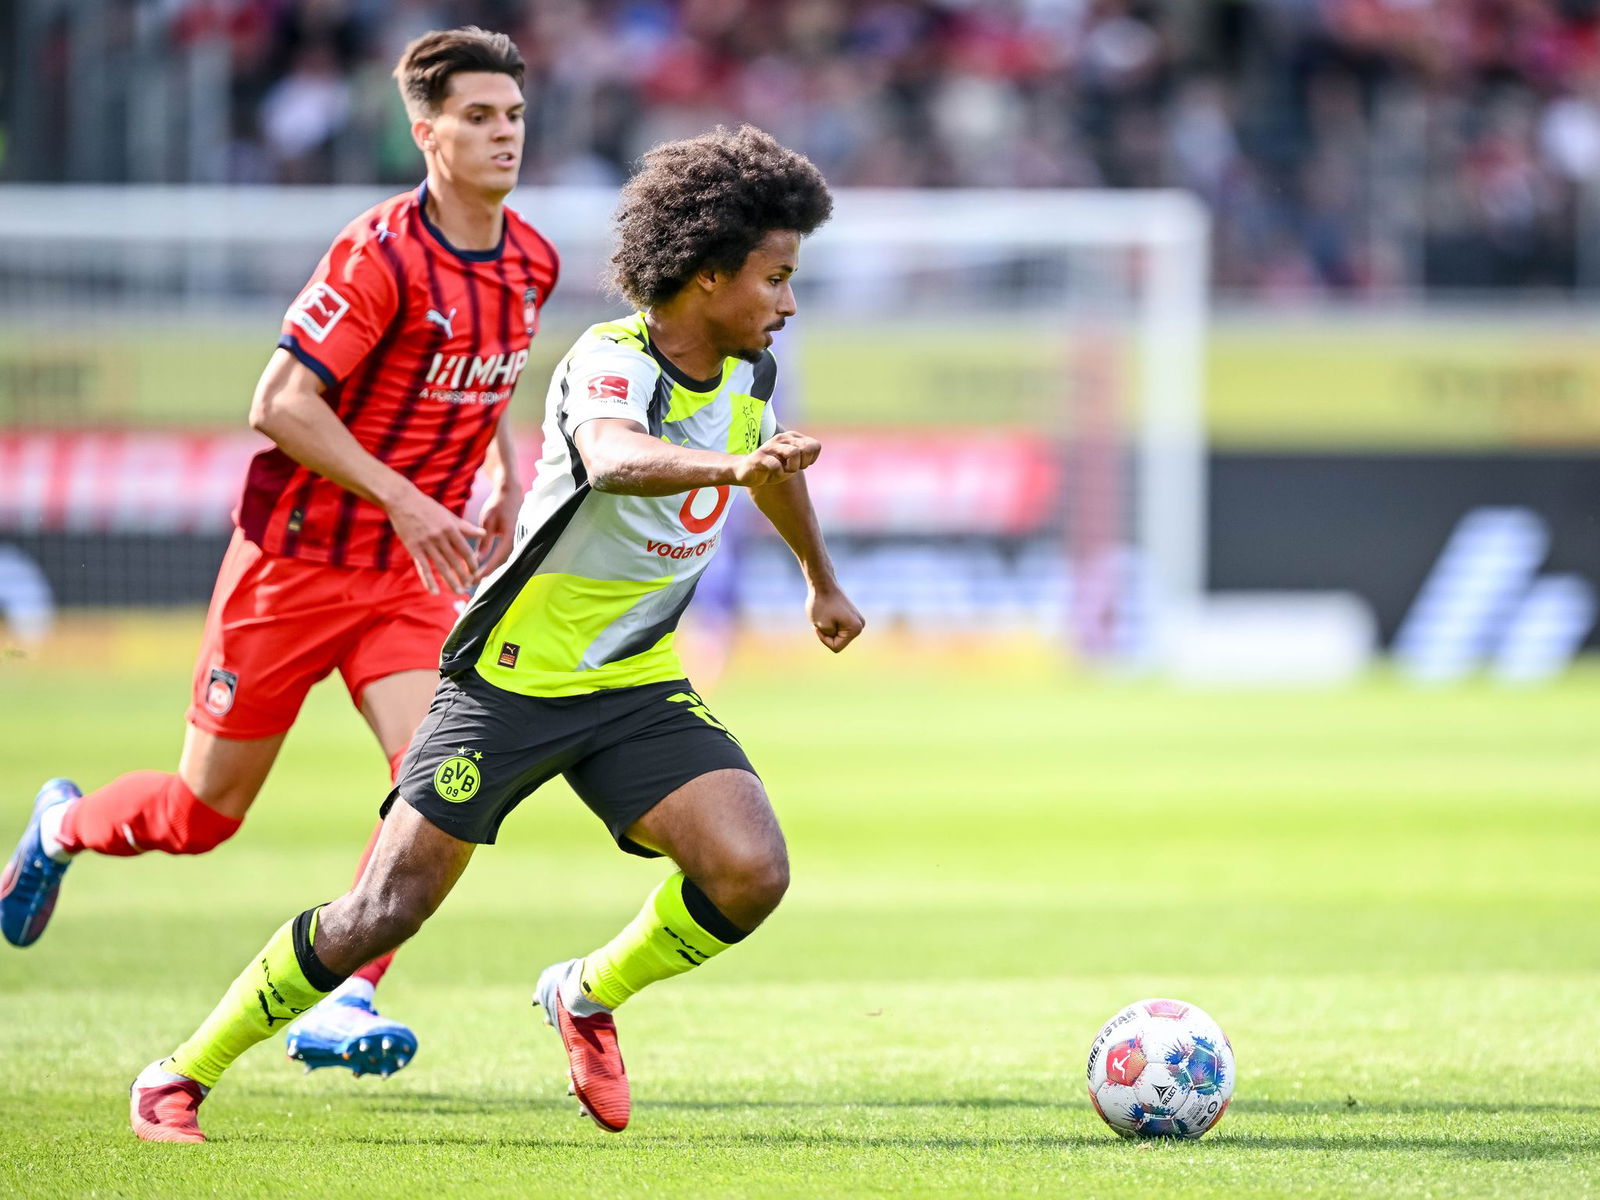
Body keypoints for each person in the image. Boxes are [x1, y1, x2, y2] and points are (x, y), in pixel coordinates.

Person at [125, 123, 863, 1143]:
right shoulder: (609, 361)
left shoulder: (747, 380)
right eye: (776, 278)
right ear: (703, 276)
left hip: (632, 686)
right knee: (383, 911)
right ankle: (179, 1074)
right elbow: (610, 458)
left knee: (751, 871)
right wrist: (732, 473)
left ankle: (586, 996)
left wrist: (818, 578)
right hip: (506, 683)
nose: (787, 303)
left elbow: (769, 469)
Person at [2, 27, 558, 1081]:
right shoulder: (378, 254)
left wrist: (508, 474)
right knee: (201, 816)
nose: (503, 135)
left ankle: (344, 995)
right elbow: (279, 404)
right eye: (479, 116)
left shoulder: (532, 258)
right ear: (424, 130)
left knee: (440, 789)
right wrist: (403, 497)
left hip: (407, 579)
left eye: (514, 116)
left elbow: (490, 374)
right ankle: (64, 825)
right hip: (293, 566)